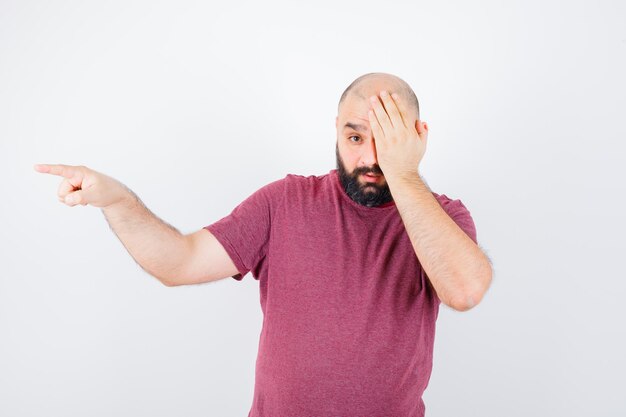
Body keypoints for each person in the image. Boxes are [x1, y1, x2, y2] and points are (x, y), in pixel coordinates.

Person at [34, 72, 492, 417]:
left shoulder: (444, 218)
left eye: (387, 142)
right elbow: (180, 262)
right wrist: (117, 201)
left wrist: (405, 174)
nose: (370, 158)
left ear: (417, 139)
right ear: (336, 130)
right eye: (355, 137)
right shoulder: (285, 201)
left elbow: (465, 290)